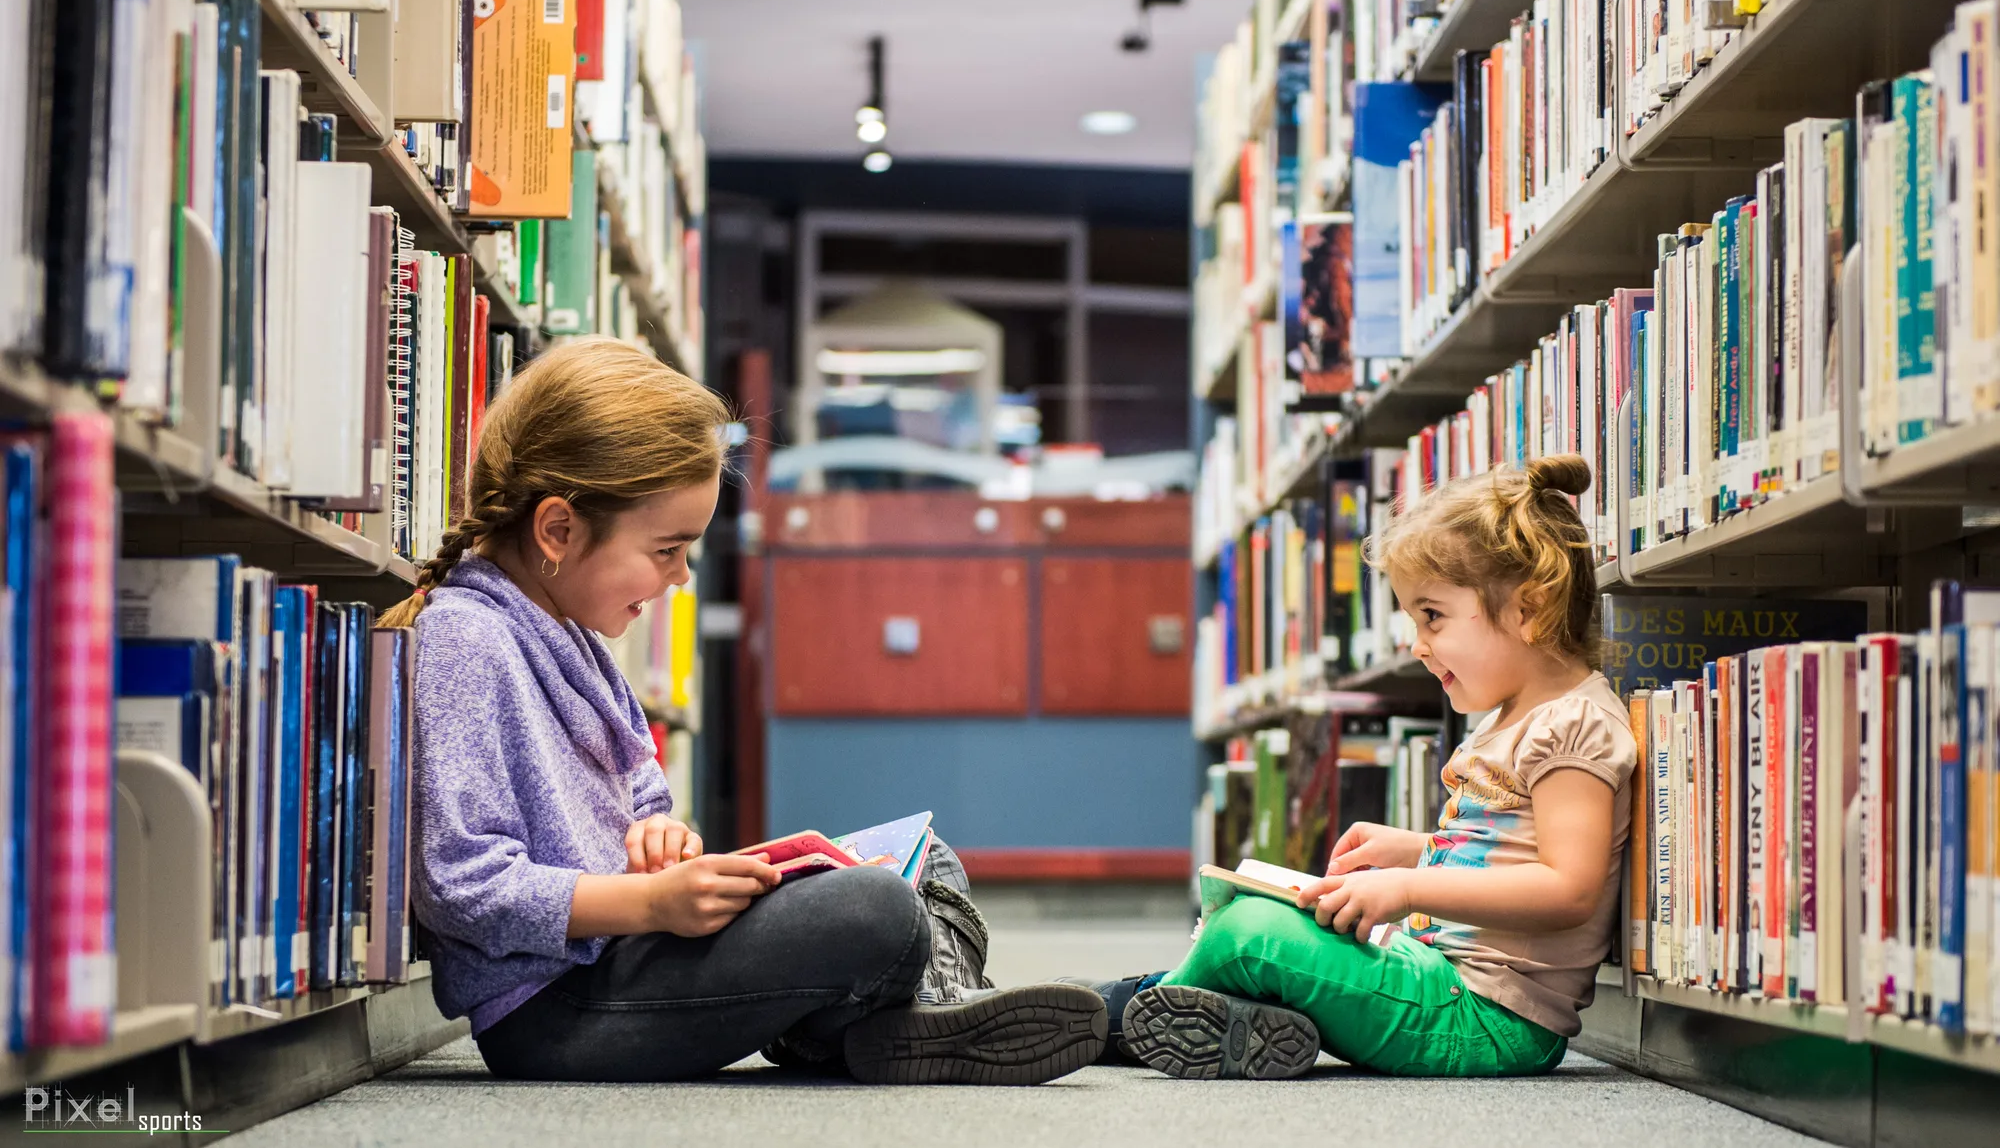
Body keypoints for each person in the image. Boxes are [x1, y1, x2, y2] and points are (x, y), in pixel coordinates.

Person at [381, 338, 1105, 1084]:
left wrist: (658, 839)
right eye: (667, 549)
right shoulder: (466, 640)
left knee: (926, 857)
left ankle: (895, 1023)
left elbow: (641, 799)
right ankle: (928, 1015)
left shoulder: (572, 635)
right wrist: (649, 903)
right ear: (558, 530)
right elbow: (460, 885)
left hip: (629, 954)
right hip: (557, 1010)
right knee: (874, 908)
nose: (681, 575)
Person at [1073, 454, 1636, 1079]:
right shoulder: (1515, 717)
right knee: (1254, 915)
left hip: (1488, 1019)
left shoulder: (1575, 727)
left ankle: (1117, 1018)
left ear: (1529, 609)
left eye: (1432, 616)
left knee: (1252, 933)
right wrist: (1417, 850)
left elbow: (1567, 888)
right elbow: (1509, 856)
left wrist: (1409, 887)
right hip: (1442, 983)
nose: (1417, 645)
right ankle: (1197, 1013)